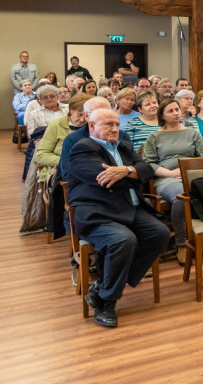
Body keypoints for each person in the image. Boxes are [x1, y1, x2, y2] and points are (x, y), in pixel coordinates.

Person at [66, 108, 170, 328]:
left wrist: (125, 170)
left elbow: (147, 170)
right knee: (123, 240)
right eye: (108, 124)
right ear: (92, 126)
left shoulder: (124, 146)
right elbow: (104, 180)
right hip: (98, 213)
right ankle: (107, 302)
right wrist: (131, 173)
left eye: (116, 124)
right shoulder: (83, 148)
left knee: (160, 233)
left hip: (128, 209)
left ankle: (103, 288)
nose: (115, 129)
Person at [142, 98, 203, 265]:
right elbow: (148, 163)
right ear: (162, 116)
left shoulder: (192, 133)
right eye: (170, 111)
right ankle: (181, 243)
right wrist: (171, 173)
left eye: (177, 110)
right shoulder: (155, 136)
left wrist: (189, 171)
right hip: (166, 178)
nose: (175, 113)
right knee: (181, 196)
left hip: (191, 174)